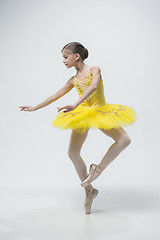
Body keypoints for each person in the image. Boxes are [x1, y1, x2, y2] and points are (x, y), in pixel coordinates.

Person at [19, 41, 137, 214]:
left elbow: (93, 86)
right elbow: (54, 96)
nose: (63, 61)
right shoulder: (72, 80)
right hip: (82, 114)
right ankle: (89, 191)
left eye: (65, 57)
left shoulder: (94, 70)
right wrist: (35, 107)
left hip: (99, 111)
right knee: (72, 153)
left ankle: (97, 170)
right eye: (62, 58)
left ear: (77, 56)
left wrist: (75, 103)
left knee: (124, 140)